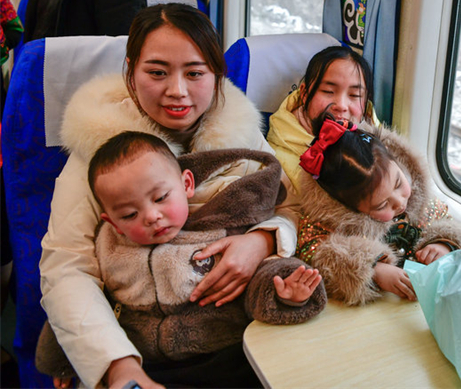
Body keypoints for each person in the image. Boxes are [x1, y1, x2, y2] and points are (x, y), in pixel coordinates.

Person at [39, 3, 301, 389]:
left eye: (195, 73)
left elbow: (290, 206)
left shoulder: (244, 136)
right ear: (131, 72)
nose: (177, 91)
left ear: (216, 75)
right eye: (157, 73)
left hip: (238, 331)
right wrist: (118, 363)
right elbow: (67, 268)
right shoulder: (97, 151)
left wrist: (262, 241)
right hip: (137, 342)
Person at [36, 131, 325, 389]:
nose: (151, 216)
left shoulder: (216, 231)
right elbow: (83, 301)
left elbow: (254, 280)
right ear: (110, 221)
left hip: (223, 358)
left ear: (186, 183)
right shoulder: (108, 249)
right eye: (128, 215)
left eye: (161, 197)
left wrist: (286, 293)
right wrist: (61, 357)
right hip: (148, 365)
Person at [296, 114, 461, 306]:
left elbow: (447, 222)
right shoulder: (329, 225)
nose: (400, 203)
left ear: (397, 162)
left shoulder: (421, 202)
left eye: (399, 183)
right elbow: (313, 253)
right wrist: (374, 270)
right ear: (350, 209)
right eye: (382, 205)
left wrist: (444, 244)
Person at [267, 45, 378, 191]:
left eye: (354, 95)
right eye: (328, 91)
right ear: (304, 95)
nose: (341, 105)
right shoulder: (276, 161)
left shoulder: (381, 148)